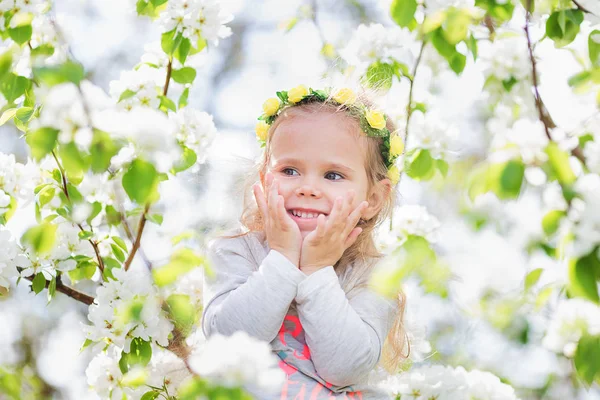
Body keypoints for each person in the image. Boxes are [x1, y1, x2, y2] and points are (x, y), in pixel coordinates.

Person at [201, 85, 408, 399]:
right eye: (290, 170)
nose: (308, 188)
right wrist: (283, 259)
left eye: (333, 175)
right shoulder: (236, 252)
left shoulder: (373, 275)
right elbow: (228, 343)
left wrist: (316, 270)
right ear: (264, 179)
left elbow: (345, 368)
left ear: (375, 197)